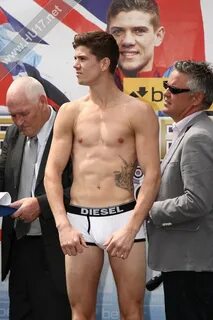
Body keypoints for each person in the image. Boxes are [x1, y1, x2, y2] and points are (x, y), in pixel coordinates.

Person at [44, 30, 160, 320]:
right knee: (80, 313)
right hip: (78, 222)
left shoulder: (139, 112)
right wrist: (63, 226)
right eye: (74, 58)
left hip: (124, 219)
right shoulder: (69, 112)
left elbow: (152, 176)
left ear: (105, 63)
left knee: (131, 312)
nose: (75, 64)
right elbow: (52, 174)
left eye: (82, 58)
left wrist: (131, 228)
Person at [0, 76, 72, 320]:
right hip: (19, 247)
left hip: (56, 249)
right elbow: (4, 175)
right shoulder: (12, 133)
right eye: (13, 115)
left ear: (43, 102)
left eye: (24, 114)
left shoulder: (70, 131)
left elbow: (86, 190)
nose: (18, 122)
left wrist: (40, 204)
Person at [147, 60, 213, 320]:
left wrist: (148, 210)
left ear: (196, 98)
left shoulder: (198, 137)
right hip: (186, 264)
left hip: (194, 267)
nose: (165, 92)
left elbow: (197, 201)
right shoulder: (192, 132)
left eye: (173, 89)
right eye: (166, 85)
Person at [106, 0, 165, 90]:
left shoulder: (176, 85)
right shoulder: (94, 84)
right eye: (117, 31)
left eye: (139, 31)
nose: (127, 41)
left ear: (158, 36)